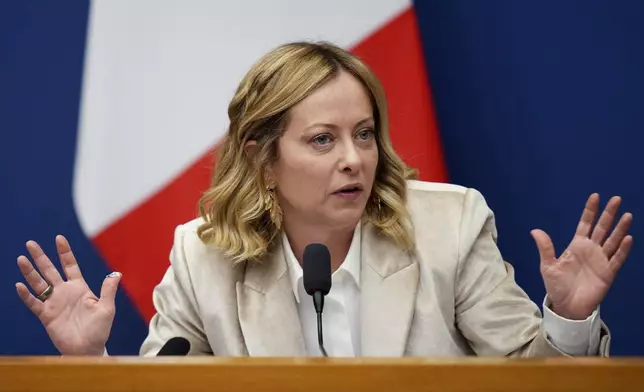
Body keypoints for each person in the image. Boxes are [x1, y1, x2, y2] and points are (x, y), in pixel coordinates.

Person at [15, 41, 633, 357]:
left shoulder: (449, 225)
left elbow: (534, 382)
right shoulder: (203, 257)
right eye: (322, 139)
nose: (354, 159)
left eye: (364, 134)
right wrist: (92, 364)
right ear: (262, 158)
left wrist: (570, 321)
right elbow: (169, 382)